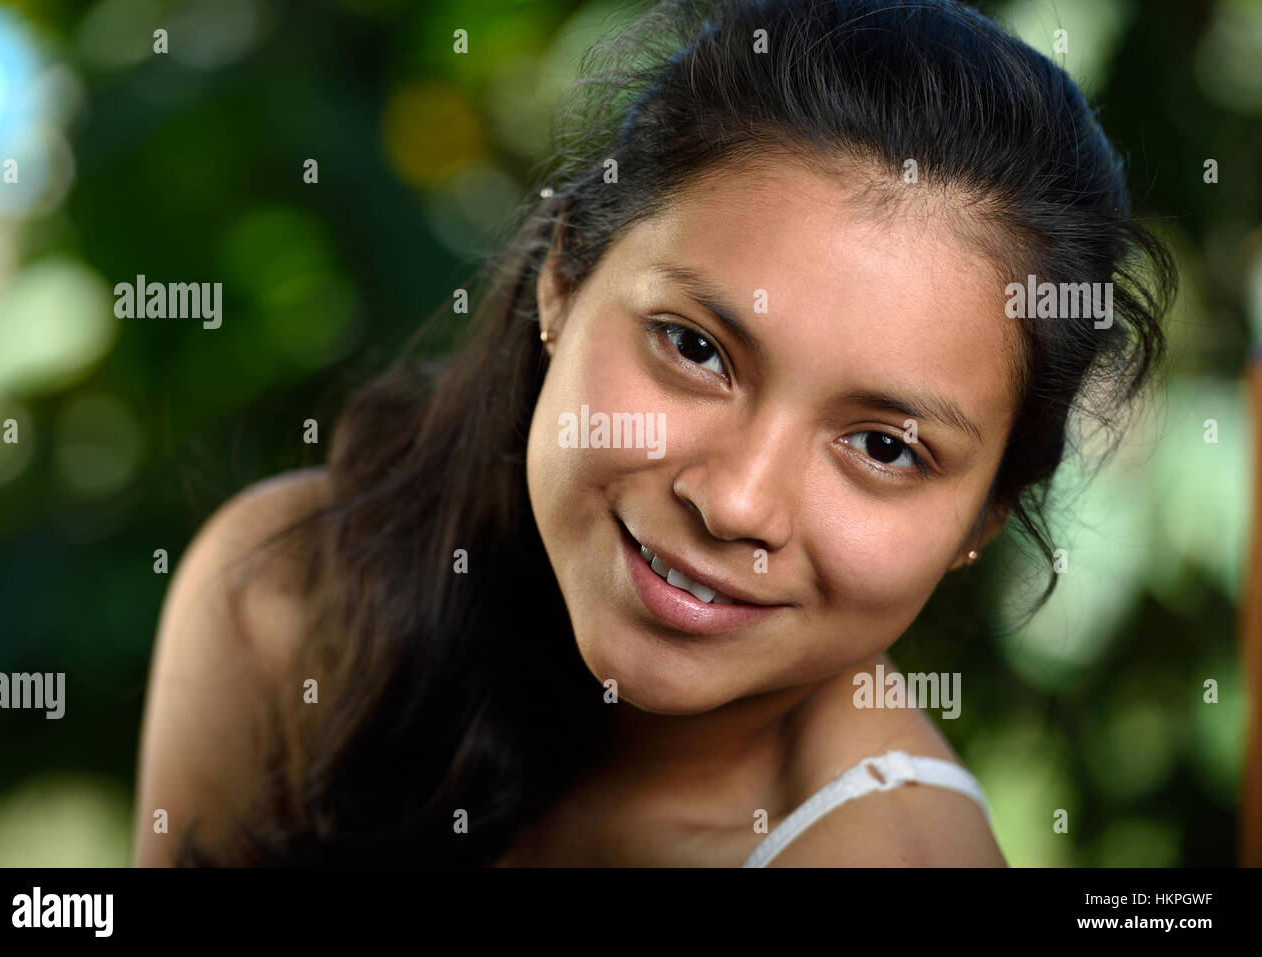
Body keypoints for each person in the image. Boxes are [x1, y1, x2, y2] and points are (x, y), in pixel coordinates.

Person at [132, 0, 1176, 866]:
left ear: (983, 518)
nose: (734, 501)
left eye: (884, 448)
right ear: (562, 278)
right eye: (694, 347)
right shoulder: (284, 600)